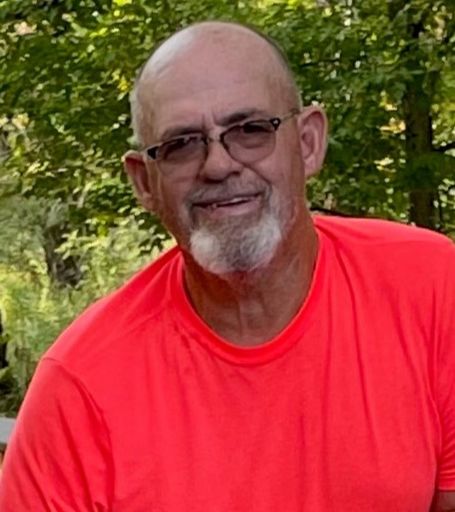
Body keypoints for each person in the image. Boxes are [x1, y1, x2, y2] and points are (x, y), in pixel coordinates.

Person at [0, 21, 454, 512]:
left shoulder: (430, 287)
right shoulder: (81, 387)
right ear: (145, 182)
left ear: (308, 143)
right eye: (181, 144)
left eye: (250, 130)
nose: (218, 165)